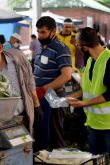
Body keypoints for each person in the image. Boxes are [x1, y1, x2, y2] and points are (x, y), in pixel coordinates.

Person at [68, 27, 110, 157]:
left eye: (77, 43)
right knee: (96, 160)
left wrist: (84, 104)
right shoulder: (90, 61)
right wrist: (68, 98)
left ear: (84, 45)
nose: (76, 45)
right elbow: (87, 89)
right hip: (95, 124)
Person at [33, 16, 72, 151]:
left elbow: (66, 75)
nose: (40, 35)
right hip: (41, 95)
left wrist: (43, 88)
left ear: (53, 31)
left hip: (55, 95)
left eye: (43, 32)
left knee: (55, 135)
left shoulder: (61, 48)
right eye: (38, 32)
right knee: (43, 134)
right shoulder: (42, 46)